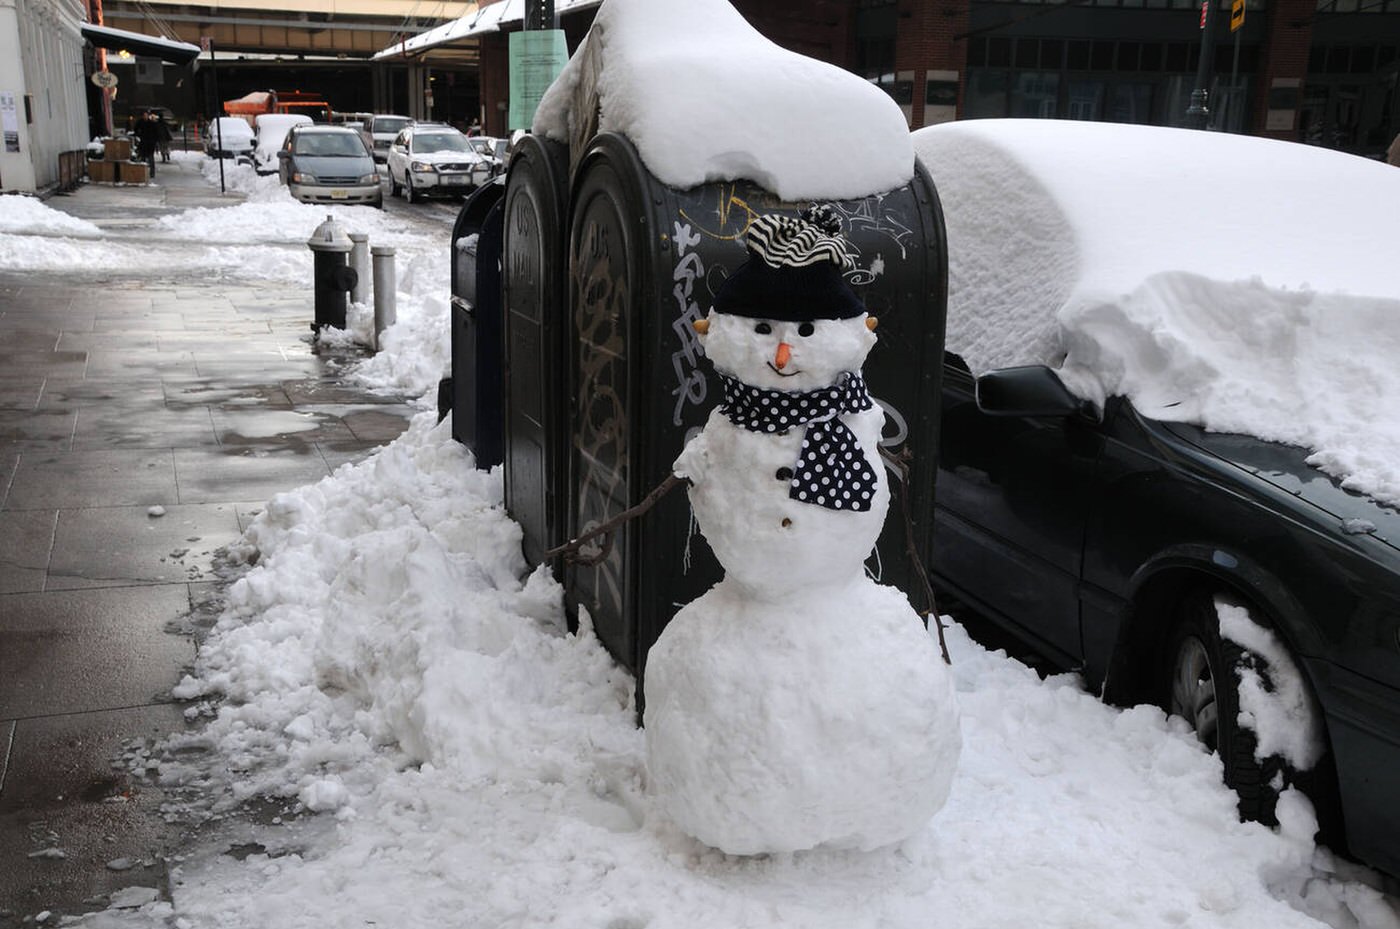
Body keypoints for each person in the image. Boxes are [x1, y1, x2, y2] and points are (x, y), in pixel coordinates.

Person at [131, 110, 160, 177]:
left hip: (150, 143)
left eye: (146, 115)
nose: (145, 117)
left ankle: (152, 173)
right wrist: (138, 134)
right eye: (144, 115)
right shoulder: (140, 122)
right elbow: (136, 129)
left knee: (150, 158)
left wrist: (155, 141)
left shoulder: (151, 123)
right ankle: (143, 172)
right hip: (144, 142)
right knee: (142, 157)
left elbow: (156, 133)